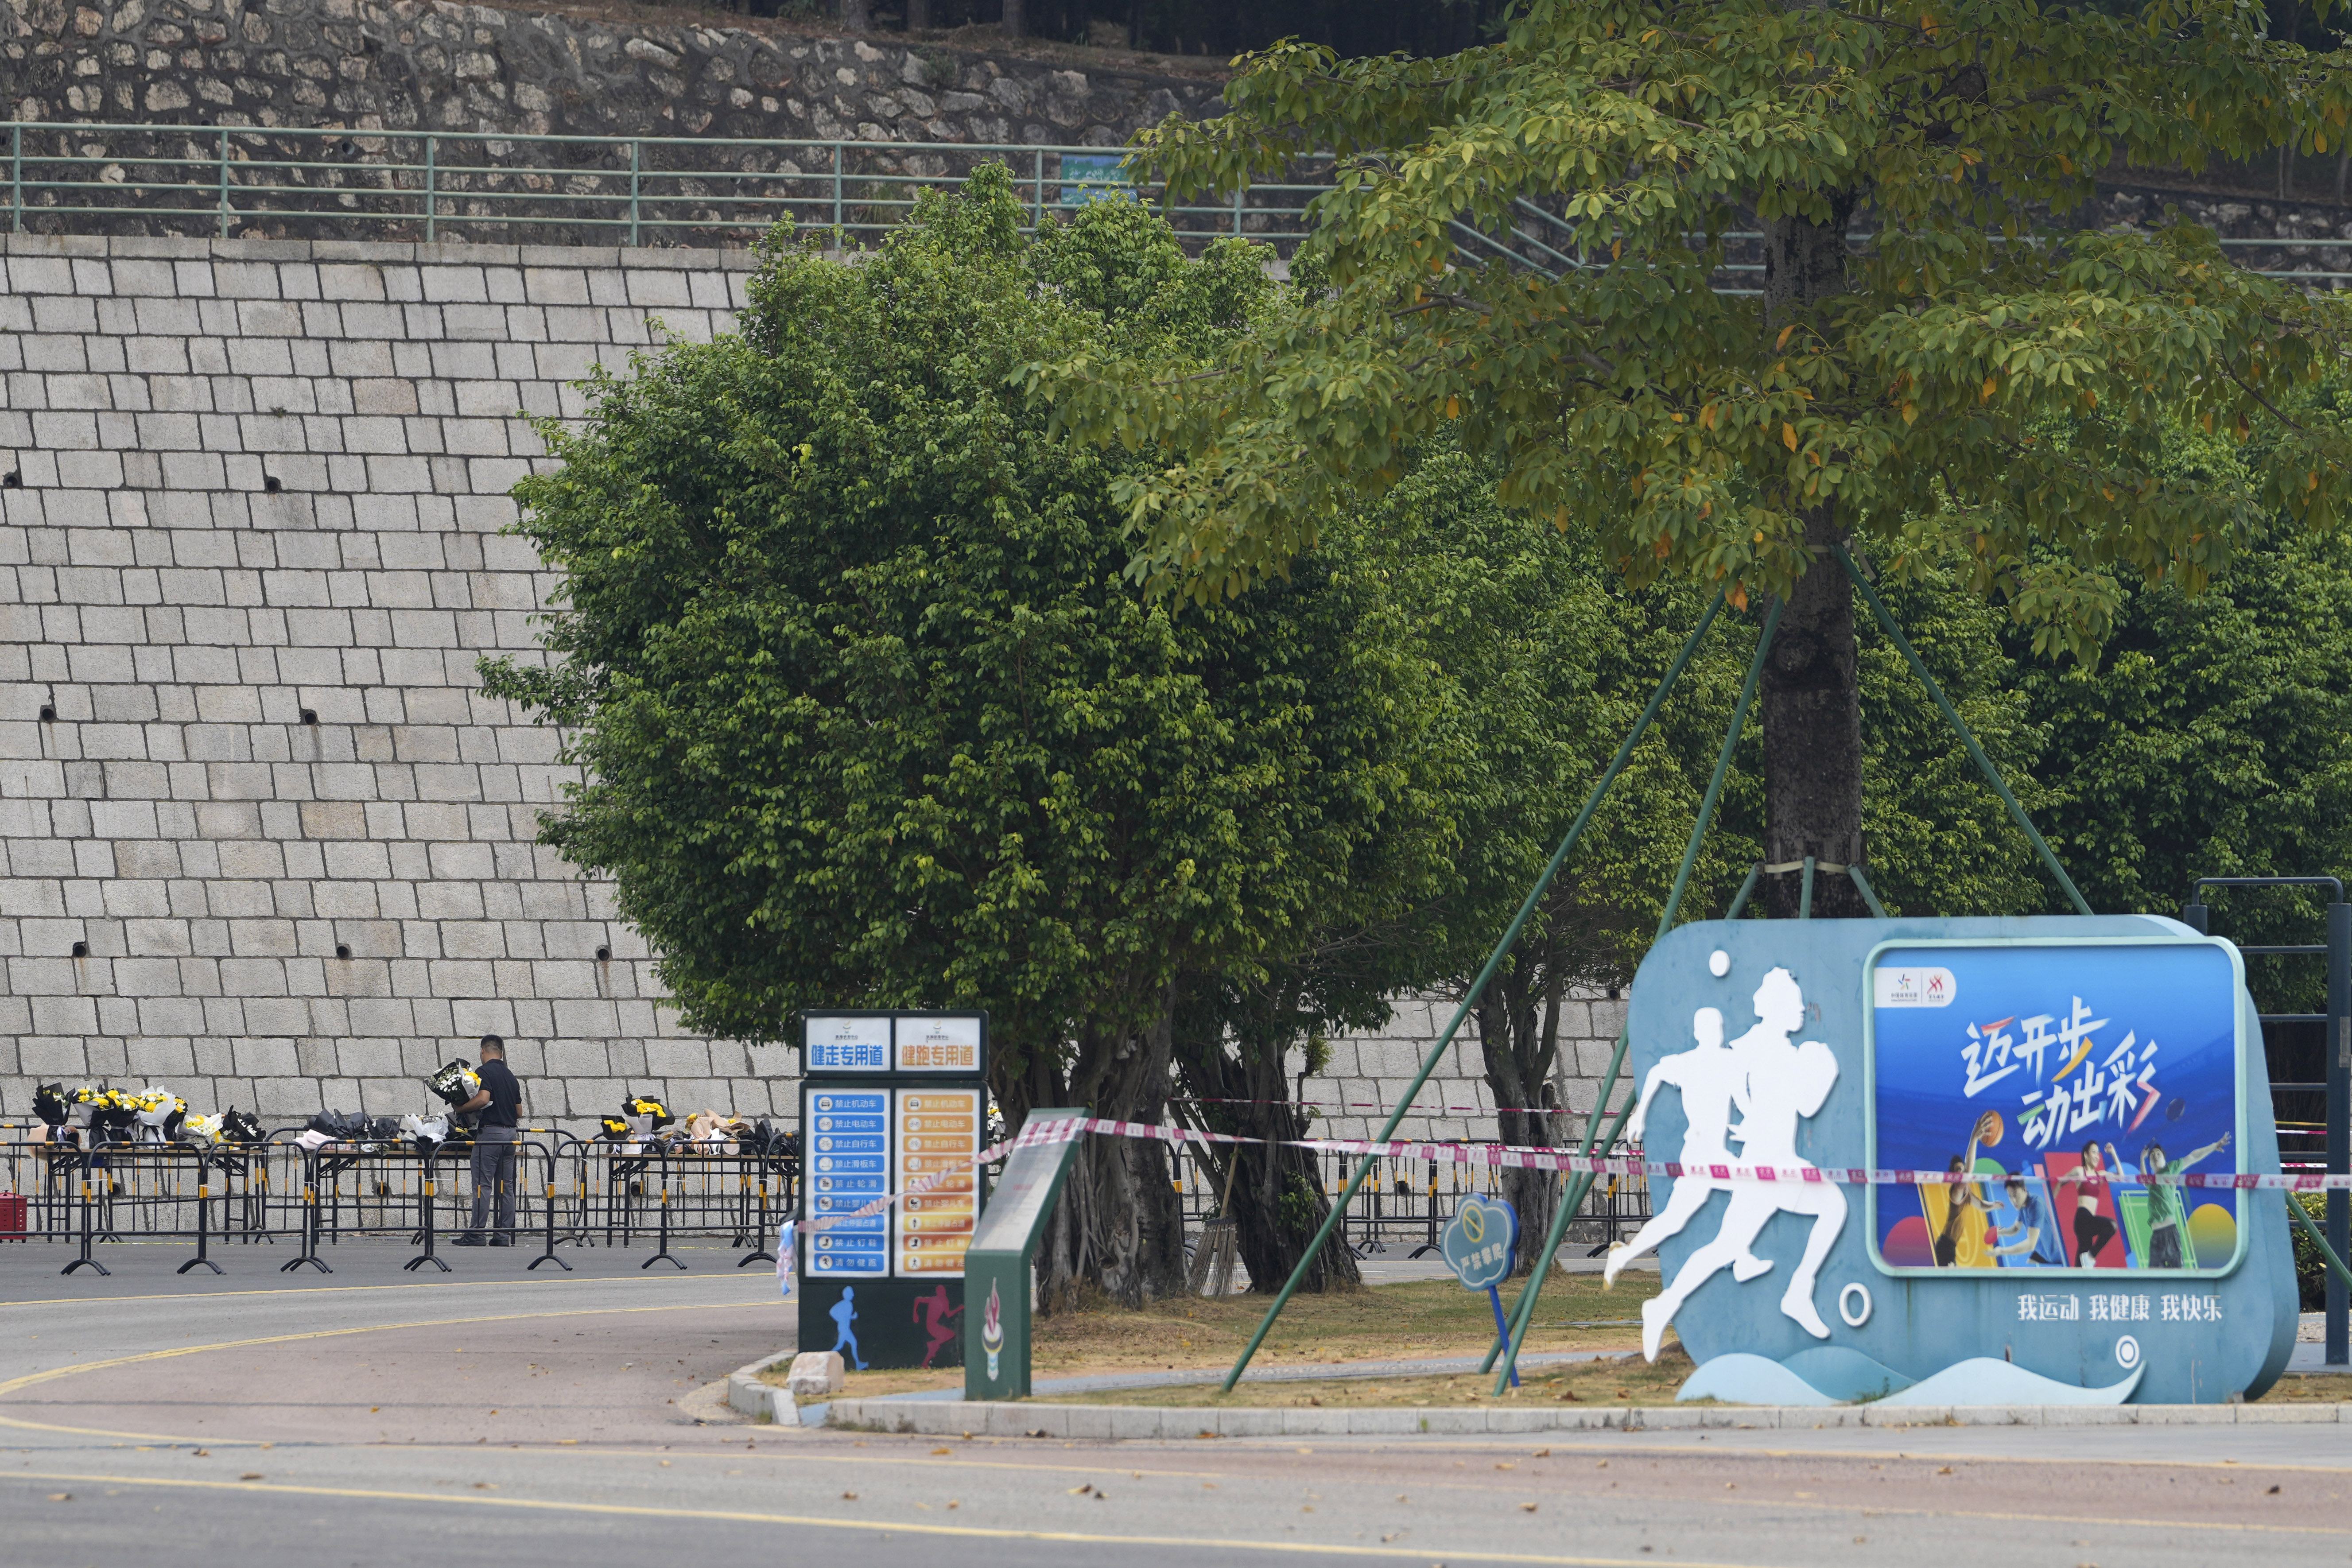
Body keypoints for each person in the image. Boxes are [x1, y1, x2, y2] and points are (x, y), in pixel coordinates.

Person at [1605, 1006, 1768, 1287]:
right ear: (1697, 1033)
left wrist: (1755, 1125)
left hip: (1712, 1153)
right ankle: (1739, 1256)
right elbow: (1656, 1072)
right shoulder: (1690, 1063)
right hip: (1699, 1153)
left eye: (1717, 1028)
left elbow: (1744, 1103)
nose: (1714, 1034)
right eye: (1708, 1029)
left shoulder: (1728, 1063)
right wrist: (1639, 1114)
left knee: (1679, 1218)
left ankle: (1624, 1254)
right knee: (1738, 1194)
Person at [455, 1034, 522, 1246]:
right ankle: (503, 1235)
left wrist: (462, 1108)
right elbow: (519, 1112)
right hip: (511, 1135)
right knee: (507, 1186)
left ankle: (476, 1234)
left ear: (483, 1051)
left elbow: (483, 1098)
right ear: (501, 1053)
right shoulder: (511, 1076)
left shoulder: (483, 1071)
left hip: (491, 1135)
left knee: (483, 1185)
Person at [2140, 1133, 2231, 1268]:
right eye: (2152, 1156)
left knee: (2178, 1274)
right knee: (2154, 1277)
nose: (2155, 1156)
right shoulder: (2151, 1182)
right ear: (2151, 1165)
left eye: (2158, 1154)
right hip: (2156, 1237)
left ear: (2165, 1160)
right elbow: (2143, 1180)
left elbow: (2193, 1157)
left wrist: (2214, 1146)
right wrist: (2142, 1158)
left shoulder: (2171, 1169)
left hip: (2170, 1233)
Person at [1991, 1176, 2060, 1265]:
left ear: (2024, 1189)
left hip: (2057, 1255)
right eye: (2010, 1196)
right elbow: (2016, 1229)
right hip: (2043, 1253)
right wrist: (2000, 1232)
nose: (2014, 1200)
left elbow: (2030, 1245)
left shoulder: (2036, 1205)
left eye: (2015, 1195)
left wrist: (2002, 1251)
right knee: (2030, 1264)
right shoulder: (2023, 1206)